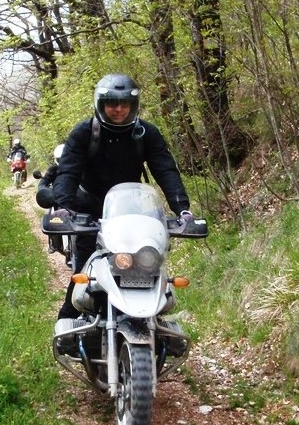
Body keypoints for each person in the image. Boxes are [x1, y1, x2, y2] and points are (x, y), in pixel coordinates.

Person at [52, 73, 194, 320]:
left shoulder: (146, 133)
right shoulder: (83, 133)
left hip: (131, 210)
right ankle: (69, 321)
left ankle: (152, 321)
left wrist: (183, 209)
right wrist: (64, 208)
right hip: (90, 210)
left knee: (145, 263)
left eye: (124, 104)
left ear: (133, 106)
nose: (118, 109)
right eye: (111, 104)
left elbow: (165, 169)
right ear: (100, 104)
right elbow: (68, 171)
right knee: (85, 272)